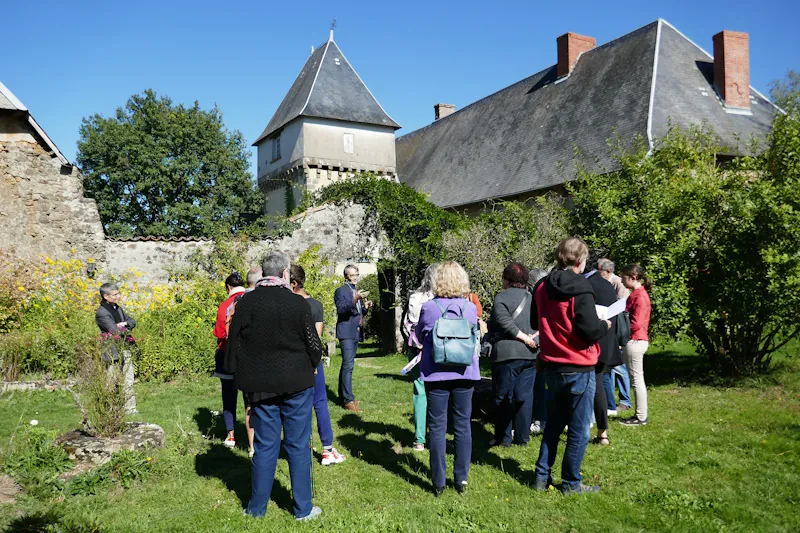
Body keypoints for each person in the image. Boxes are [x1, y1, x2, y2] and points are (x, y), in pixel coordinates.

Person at [226, 252, 324, 521]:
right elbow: (313, 345)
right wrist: (314, 361)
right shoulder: (298, 304)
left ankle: (256, 509)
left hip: (260, 385)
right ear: (285, 274)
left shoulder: (245, 303)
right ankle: (303, 509)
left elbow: (233, 344)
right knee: (298, 445)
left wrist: (240, 376)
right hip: (297, 383)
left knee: (266, 445)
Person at [532, 238, 611, 494]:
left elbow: (535, 320)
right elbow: (589, 330)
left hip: (552, 363)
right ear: (580, 261)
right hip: (579, 364)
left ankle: (541, 477)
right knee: (577, 429)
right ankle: (571, 483)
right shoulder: (582, 287)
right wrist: (605, 325)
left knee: (553, 424)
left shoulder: (542, 286)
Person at [417, 261, 480, 496]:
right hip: (464, 371)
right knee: (463, 425)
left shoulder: (429, 307)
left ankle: (438, 481)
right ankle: (461, 479)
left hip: (436, 372)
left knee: (437, 425)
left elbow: (420, 335)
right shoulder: (470, 307)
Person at [290, 264, 346, 466]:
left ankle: (301, 445)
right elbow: (317, 337)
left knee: (297, 406)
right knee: (320, 403)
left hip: (292, 363)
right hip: (311, 362)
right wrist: (313, 362)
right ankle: (327, 449)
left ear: (294, 283)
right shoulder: (316, 305)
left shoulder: (287, 305)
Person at [488, 263, 539, 447]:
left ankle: (503, 438)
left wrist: (524, 338)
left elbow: (503, 322)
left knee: (503, 397)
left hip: (507, 354)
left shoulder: (501, 297)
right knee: (525, 397)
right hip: (530, 354)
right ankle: (522, 438)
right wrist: (533, 338)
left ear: (507, 279)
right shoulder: (533, 298)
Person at [212, 272, 254, 455]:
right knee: (249, 397)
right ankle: (253, 437)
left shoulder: (224, 305)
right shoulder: (251, 300)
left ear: (228, 287)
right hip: (247, 357)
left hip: (227, 355)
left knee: (228, 395)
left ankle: (231, 435)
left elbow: (220, 333)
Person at [584, 261, 624, 445]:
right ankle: (603, 432)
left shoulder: (586, 285)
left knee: (584, 386)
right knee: (598, 386)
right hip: (607, 342)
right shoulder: (607, 285)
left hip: (590, 343)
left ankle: (584, 426)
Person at [403, 263, 438, 451]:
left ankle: (419, 439)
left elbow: (409, 325)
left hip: (417, 349)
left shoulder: (415, 297)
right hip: (438, 350)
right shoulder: (444, 299)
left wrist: (418, 345)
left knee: (420, 392)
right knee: (438, 391)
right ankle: (437, 434)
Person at [334, 264, 372, 412]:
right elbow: (342, 310)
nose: (355, 277)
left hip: (355, 332)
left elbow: (357, 313)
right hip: (346, 332)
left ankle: (343, 395)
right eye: (352, 275)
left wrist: (365, 309)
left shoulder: (356, 290)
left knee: (347, 366)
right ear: (346, 276)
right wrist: (355, 299)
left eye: (357, 274)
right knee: (348, 366)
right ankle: (348, 400)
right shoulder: (341, 291)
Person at [95, 282, 138, 414]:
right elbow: (115, 331)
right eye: (115, 294)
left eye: (118, 293)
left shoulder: (117, 308)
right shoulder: (102, 312)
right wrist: (121, 327)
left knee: (128, 379)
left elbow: (132, 322)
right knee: (112, 380)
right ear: (106, 296)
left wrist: (123, 324)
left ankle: (130, 409)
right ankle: (110, 410)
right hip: (112, 349)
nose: (118, 296)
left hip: (124, 346)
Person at [618, 263, 652, 427]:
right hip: (637, 339)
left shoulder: (639, 296)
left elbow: (636, 323)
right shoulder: (638, 294)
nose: (622, 281)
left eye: (624, 278)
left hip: (636, 340)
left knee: (637, 379)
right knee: (636, 379)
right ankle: (640, 415)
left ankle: (640, 416)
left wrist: (622, 330)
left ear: (633, 277)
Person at [597, 258, 632, 414]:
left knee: (620, 367)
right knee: (609, 368)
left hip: (617, 328)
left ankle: (625, 400)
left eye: (600, 271)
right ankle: (610, 402)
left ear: (608, 271)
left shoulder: (619, 283)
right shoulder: (607, 282)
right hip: (609, 328)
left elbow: (622, 308)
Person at [527, 268, 549, 434]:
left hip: (541, 346)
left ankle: (540, 418)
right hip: (550, 345)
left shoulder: (537, 297)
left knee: (539, 384)